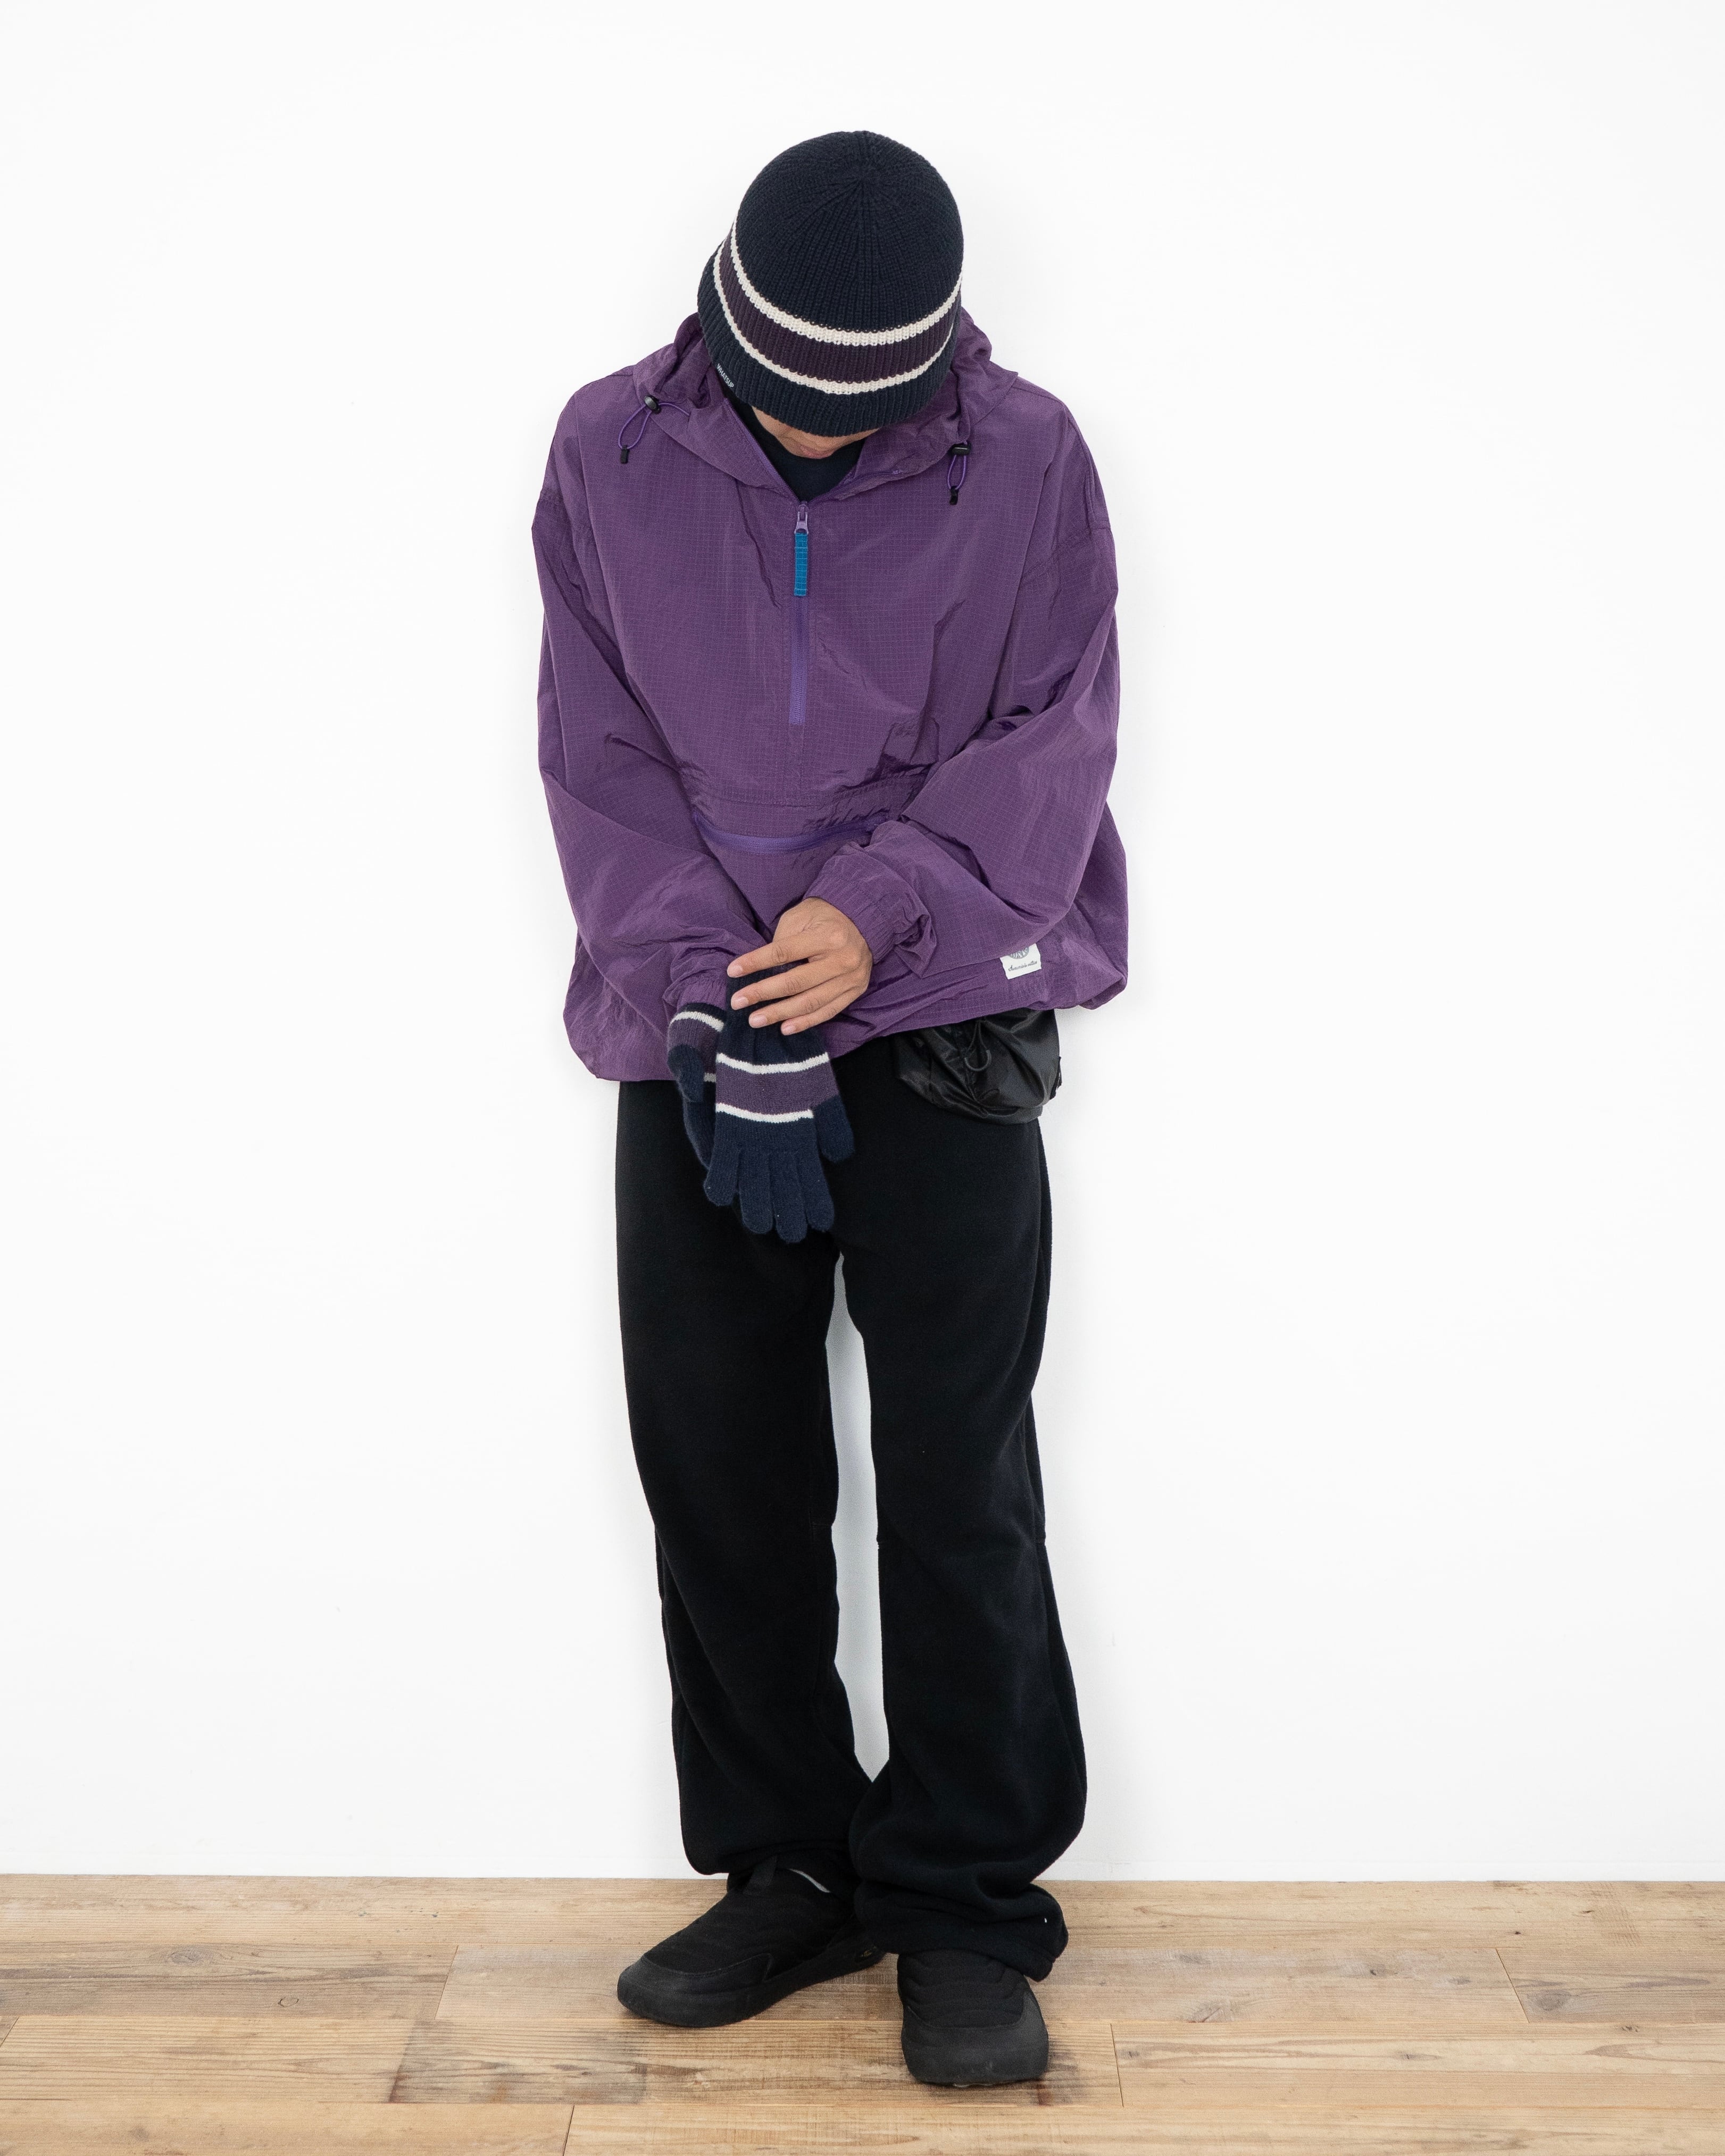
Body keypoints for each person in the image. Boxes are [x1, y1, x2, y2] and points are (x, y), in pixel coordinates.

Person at [532, 129, 1126, 2087]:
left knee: (958, 1475)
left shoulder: (1025, 457)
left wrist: (868, 919)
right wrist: (718, 988)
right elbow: (596, 750)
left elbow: (1052, 737)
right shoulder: (608, 451)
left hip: (938, 1006)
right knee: (720, 1462)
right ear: (725, 322)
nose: (812, 433)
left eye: (857, 409)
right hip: (697, 1021)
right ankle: (791, 1866)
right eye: (787, 395)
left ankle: (959, 1901)